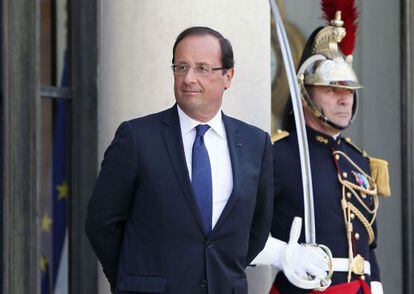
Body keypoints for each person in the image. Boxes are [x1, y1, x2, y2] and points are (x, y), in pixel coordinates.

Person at [85, 26, 273, 294]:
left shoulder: (256, 144)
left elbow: (257, 229)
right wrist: (133, 278)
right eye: (181, 67)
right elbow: (101, 222)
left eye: (202, 68)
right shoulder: (137, 138)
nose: (188, 79)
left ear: (228, 76)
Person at [253, 11, 390, 294]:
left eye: (349, 91)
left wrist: (375, 284)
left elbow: (369, 243)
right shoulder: (278, 155)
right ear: (306, 96)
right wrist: (282, 254)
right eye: (330, 89)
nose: (343, 99)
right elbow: (242, 233)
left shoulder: (360, 161)